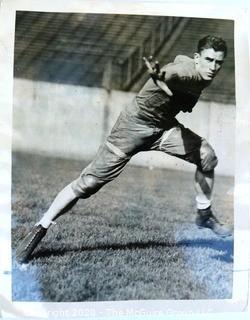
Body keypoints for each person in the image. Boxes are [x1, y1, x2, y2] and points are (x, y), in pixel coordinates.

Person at [16, 35, 232, 264]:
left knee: (206, 156)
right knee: (88, 184)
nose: (214, 67)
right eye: (209, 60)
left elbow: (181, 75)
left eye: (219, 62)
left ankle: (204, 214)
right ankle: (41, 227)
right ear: (198, 58)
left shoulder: (204, 74)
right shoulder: (187, 70)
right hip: (132, 128)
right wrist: (162, 77)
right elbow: (174, 72)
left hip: (163, 128)